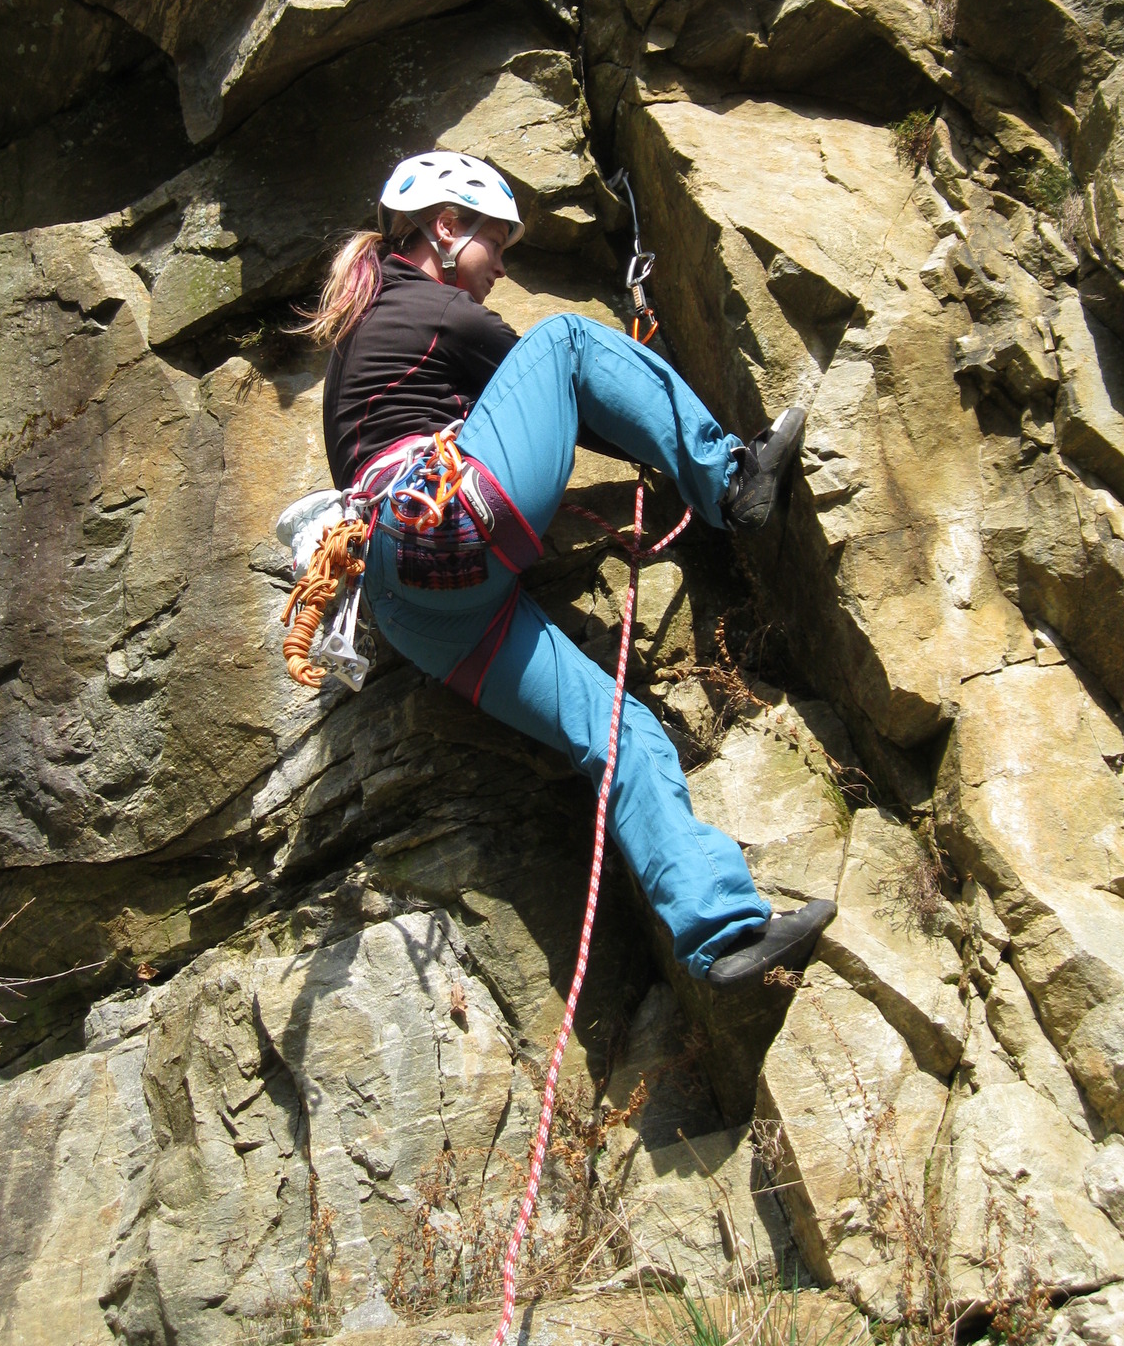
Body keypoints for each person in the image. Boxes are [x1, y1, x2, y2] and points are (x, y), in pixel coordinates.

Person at [311, 150, 836, 989]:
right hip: (442, 525)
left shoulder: (368, 329)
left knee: (616, 729)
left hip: (410, 603)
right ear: (446, 228)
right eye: (495, 242)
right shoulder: (432, 308)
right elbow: (570, 379)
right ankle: (732, 480)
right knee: (564, 337)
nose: (502, 265)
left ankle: (722, 934)